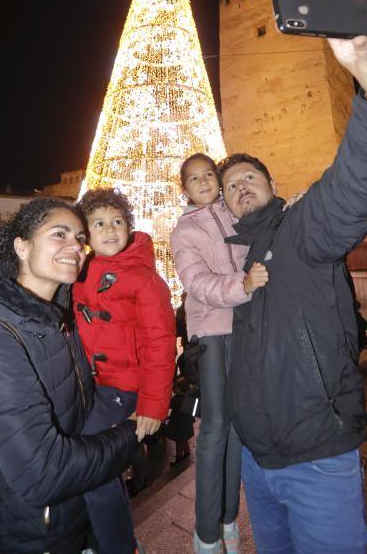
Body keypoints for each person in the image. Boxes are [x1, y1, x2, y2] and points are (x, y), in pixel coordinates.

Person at [217, 0, 367, 554]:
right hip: (257, 463)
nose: (239, 188)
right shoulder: (241, 260)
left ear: (273, 188)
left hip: (316, 459)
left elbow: (352, 188)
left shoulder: (302, 229)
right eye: (230, 187)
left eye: (249, 178)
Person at [0, 197, 138, 554]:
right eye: (59, 234)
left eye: (80, 237)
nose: (76, 246)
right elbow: (43, 474)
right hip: (34, 536)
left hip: (78, 519)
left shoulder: (61, 319)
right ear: (21, 246)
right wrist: (132, 433)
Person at [170, 153, 268, 554]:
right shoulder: (183, 230)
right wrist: (241, 285)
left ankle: (229, 519)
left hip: (243, 329)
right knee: (213, 429)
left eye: (210, 174)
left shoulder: (234, 213)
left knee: (235, 429)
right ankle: (205, 533)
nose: (205, 181)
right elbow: (196, 282)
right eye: (195, 179)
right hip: (211, 332)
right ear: (185, 189)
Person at [74, 188, 175, 554]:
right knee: (83, 463)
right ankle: (93, 540)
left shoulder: (143, 278)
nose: (110, 229)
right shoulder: (80, 270)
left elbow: (161, 343)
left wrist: (152, 404)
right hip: (91, 387)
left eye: (118, 221)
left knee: (92, 463)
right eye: (99, 223)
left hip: (124, 389)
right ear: (86, 232)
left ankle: (119, 546)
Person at [166, 375, 195, 466]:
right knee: (185, 439)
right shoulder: (190, 397)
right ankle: (186, 452)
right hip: (186, 424)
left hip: (178, 425)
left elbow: (169, 405)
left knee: (178, 442)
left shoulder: (176, 399)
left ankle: (179, 457)